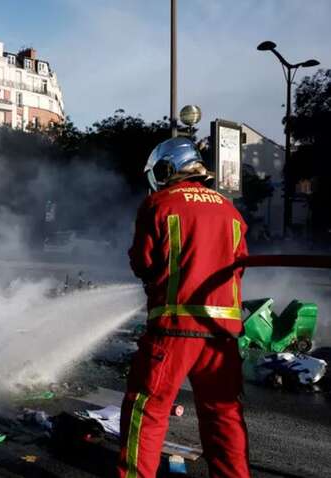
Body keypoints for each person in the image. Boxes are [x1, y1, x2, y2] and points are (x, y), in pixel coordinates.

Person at [118, 138, 249, 478]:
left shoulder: (160, 204)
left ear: (168, 168)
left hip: (174, 330)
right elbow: (240, 265)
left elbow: (143, 262)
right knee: (224, 416)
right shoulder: (230, 209)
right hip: (222, 335)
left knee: (146, 412)